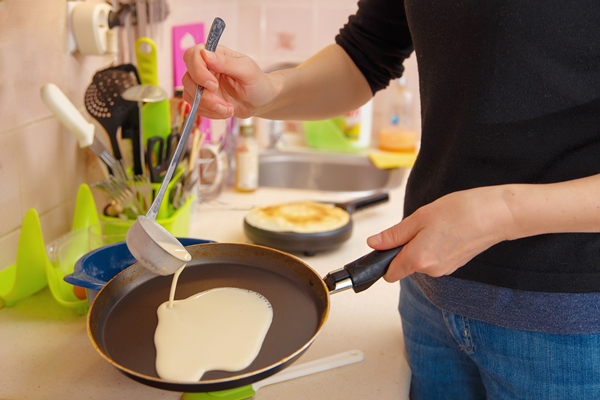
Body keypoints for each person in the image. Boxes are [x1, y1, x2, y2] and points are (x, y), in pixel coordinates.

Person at [182, 1, 600, 398]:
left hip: (569, 328)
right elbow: (365, 52)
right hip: (428, 295)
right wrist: (272, 91)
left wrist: (505, 213)